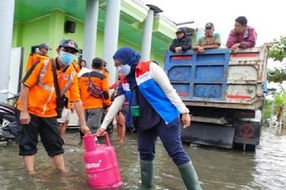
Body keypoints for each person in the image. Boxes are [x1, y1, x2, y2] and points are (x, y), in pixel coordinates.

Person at [96, 47, 202, 189]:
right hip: (143, 121)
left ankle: (195, 188)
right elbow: (117, 102)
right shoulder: (124, 80)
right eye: (116, 66)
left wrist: (184, 111)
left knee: (175, 152)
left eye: (120, 64)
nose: (119, 68)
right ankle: (146, 186)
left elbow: (169, 90)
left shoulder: (150, 68)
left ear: (129, 60)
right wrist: (103, 126)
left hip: (163, 117)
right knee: (145, 153)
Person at [16, 39, 91, 175]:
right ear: (58, 50)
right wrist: (24, 112)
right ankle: (31, 174)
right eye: (66, 50)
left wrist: (83, 124)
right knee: (28, 143)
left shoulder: (72, 74)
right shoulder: (42, 64)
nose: (69, 54)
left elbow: (77, 100)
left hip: (49, 113)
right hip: (30, 110)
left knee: (55, 143)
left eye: (72, 52)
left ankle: (62, 171)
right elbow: (25, 85)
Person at [78, 57, 111, 134]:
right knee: (93, 129)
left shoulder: (82, 76)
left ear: (91, 65)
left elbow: (78, 90)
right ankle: (90, 145)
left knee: (83, 128)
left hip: (83, 106)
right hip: (96, 106)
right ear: (101, 66)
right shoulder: (102, 77)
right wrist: (107, 104)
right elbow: (105, 92)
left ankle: (83, 144)